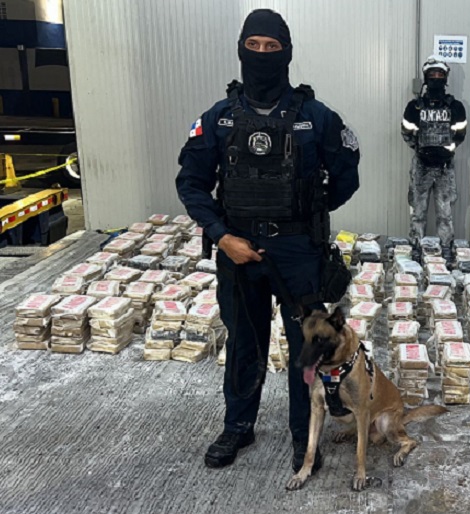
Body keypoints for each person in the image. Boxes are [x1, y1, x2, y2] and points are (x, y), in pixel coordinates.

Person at [175, 9, 359, 473]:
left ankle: (306, 436)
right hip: (238, 251)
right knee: (244, 343)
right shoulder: (218, 119)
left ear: (287, 52)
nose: (261, 55)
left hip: (299, 254)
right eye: (252, 45)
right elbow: (191, 183)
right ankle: (238, 426)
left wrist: (307, 216)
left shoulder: (316, 117)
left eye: (271, 47)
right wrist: (221, 236)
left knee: (309, 348)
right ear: (241, 49)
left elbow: (346, 176)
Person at [400, 56, 467, 260]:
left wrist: (447, 151)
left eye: (440, 74)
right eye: (432, 75)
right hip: (421, 167)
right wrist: (421, 150)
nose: (436, 78)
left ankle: (445, 252)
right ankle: (416, 250)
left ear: (445, 78)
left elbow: (461, 134)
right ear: (426, 78)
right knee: (417, 213)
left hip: (445, 168)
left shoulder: (456, 107)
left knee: (445, 214)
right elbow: (406, 132)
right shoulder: (415, 107)